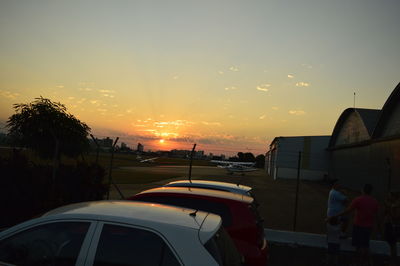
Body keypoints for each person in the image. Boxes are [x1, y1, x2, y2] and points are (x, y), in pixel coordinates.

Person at [329, 184, 379, 266]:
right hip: (369, 226)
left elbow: (348, 210)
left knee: (359, 246)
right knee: (365, 245)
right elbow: (376, 215)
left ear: (363, 190)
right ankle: (369, 262)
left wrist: (336, 215)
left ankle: (359, 262)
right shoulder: (374, 201)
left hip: (359, 225)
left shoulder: (358, 200)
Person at [383, 191, 400, 265]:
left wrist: (388, 207)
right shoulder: (393, 205)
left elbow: (395, 216)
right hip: (391, 225)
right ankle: (393, 260)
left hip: (392, 225)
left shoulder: (396, 205)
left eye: (390, 196)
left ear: (394, 196)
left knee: (392, 244)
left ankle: (393, 261)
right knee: (392, 244)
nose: (389, 197)